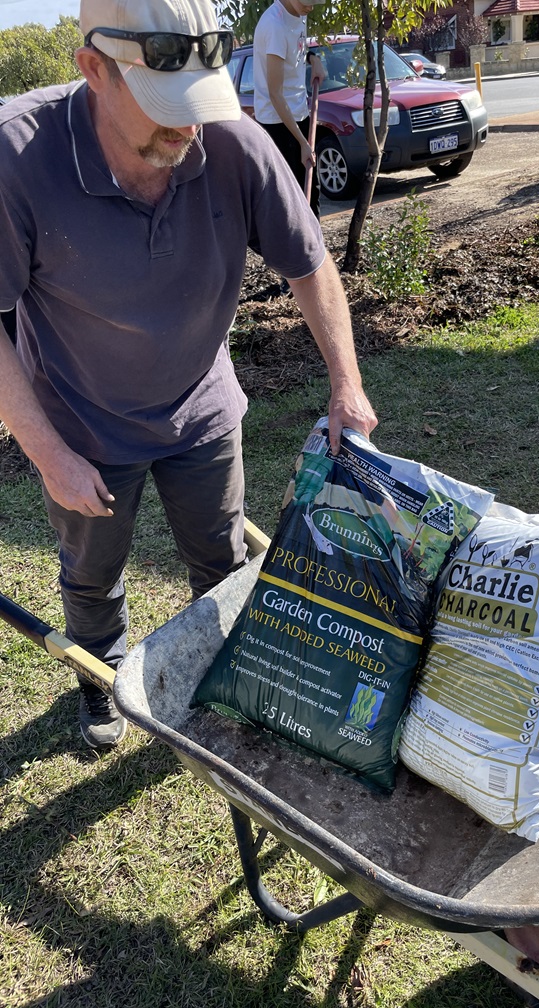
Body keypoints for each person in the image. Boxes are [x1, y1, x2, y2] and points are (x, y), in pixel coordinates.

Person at [0, 0, 377, 748]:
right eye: (165, 107)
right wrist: (50, 454)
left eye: (199, 104)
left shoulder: (230, 140)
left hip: (201, 404)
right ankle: (100, 681)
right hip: (82, 419)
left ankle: (226, 671)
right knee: (92, 572)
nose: (188, 128)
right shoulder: (18, 157)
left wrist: (347, 384)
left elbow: (309, 264)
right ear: (93, 70)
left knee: (221, 557)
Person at [253, 0, 327, 219]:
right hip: (278, 124)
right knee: (291, 200)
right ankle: (297, 251)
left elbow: (295, 50)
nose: (311, 7)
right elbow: (275, 93)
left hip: (299, 113)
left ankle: (316, 248)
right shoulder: (274, 26)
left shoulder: (297, 11)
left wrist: (313, 59)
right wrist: (302, 143)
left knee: (312, 191)